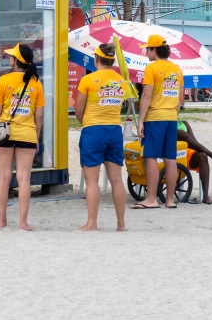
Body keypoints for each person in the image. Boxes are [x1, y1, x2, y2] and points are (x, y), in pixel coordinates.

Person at [0, 43, 45, 230]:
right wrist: (36, 137)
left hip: (4, 133)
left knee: (3, 177)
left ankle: (2, 220)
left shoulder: (3, 81)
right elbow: (39, 116)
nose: (9, 58)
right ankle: (23, 222)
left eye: (11, 56)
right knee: (24, 179)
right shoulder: (36, 83)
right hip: (27, 134)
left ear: (15, 61)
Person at [73, 43, 126, 231]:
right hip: (114, 130)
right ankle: (121, 224)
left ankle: (92, 223)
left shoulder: (88, 80)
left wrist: (86, 121)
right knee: (117, 180)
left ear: (96, 59)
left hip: (93, 130)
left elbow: (78, 110)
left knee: (92, 181)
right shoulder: (121, 81)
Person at [133, 34, 183, 209]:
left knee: (150, 156)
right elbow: (180, 98)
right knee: (170, 158)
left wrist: (140, 120)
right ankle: (170, 200)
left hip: (155, 117)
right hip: (171, 117)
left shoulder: (152, 68)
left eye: (147, 49)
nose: (146, 52)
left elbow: (146, 95)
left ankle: (152, 199)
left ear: (155, 50)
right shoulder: (177, 69)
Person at [177, 120, 212, 204]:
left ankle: (205, 196)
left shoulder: (184, 123)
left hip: (187, 154)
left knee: (202, 155)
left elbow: (194, 143)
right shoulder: (166, 123)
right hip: (173, 154)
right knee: (181, 133)